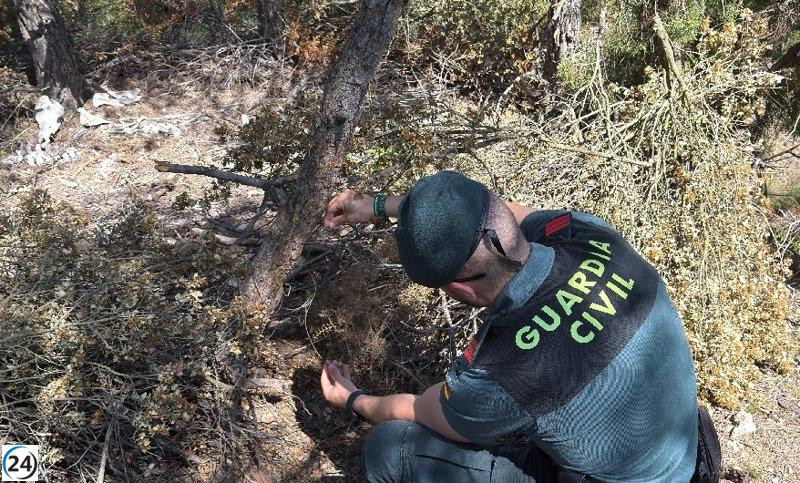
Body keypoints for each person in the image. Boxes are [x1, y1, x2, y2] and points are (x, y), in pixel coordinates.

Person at [319, 171, 720, 482]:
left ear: (460, 288)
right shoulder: (587, 235)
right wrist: (374, 206)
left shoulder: (499, 372)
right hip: (681, 459)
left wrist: (353, 399)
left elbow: (421, 409)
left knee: (389, 449)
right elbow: (499, 217)